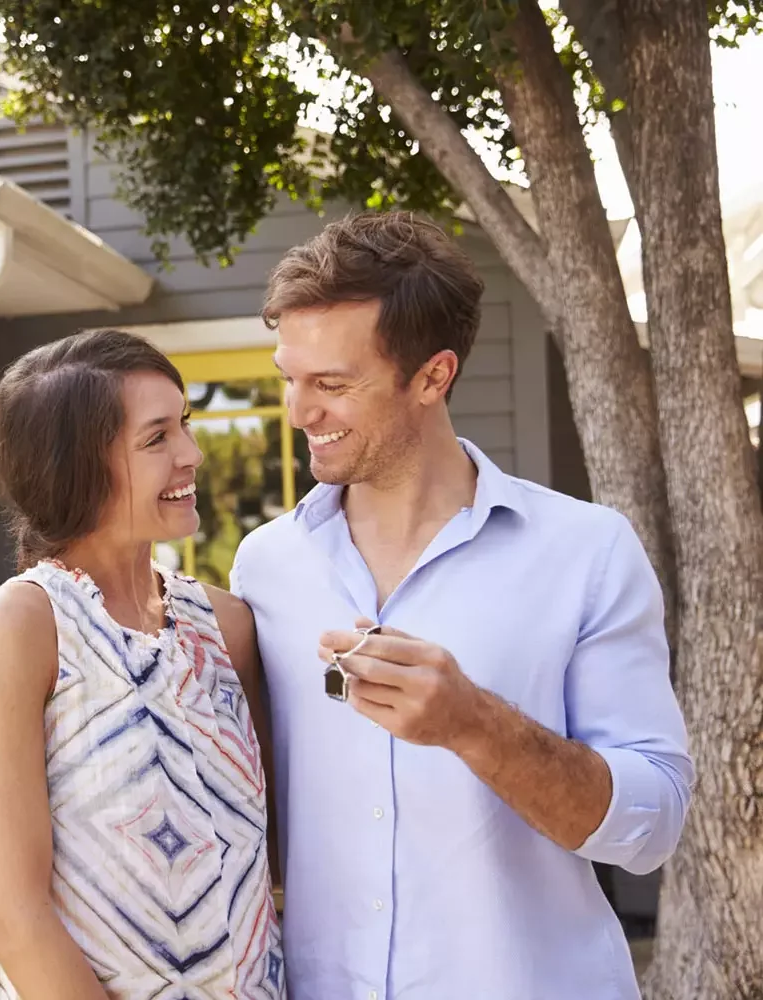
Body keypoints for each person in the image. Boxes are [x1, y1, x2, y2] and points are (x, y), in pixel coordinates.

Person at [230, 211, 693, 1000]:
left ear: (433, 377)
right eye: (290, 379)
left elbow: (652, 827)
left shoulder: (586, 551)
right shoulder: (265, 567)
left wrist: (476, 724)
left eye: (333, 385)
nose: (300, 412)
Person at [0, 330, 286, 998]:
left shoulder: (226, 626)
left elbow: (270, 859)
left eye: (183, 426)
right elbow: (15, 919)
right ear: (76, 465)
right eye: (156, 438)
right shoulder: (20, 627)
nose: (191, 454)